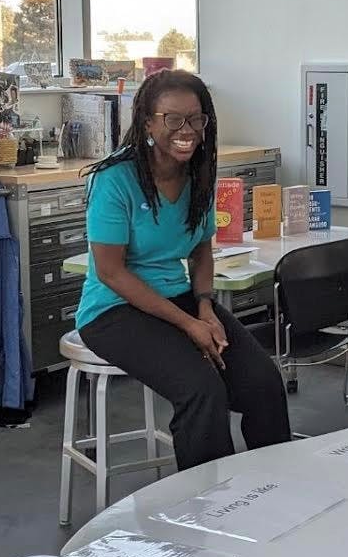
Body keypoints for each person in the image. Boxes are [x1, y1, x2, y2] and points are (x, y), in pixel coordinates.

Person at [75, 69, 291, 471]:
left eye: (195, 118)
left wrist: (205, 306)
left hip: (181, 300)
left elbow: (201, 251)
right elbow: (111, 272)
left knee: (263, 383)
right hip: (112, 311)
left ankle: (272, 491)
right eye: (173, 119)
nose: (186, 129)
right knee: (201, 390)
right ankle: (208, 508)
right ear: (148, 122)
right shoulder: (114, 179)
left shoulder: (199, 175)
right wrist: (189, 324)